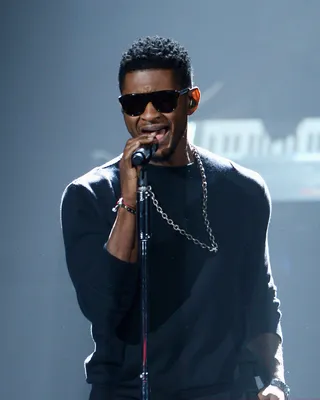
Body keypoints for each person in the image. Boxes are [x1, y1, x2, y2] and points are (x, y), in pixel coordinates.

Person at [60, 36, 289, 400]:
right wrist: (130, 200)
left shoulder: (242, 189)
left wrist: (275, 382)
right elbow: (103, 309)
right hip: (128, 393)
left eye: (163, 101)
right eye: (134, 104)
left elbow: (260, 302)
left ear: (191, 101)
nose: (148, 115)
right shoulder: (90, 195)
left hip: (226, 391)